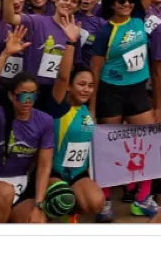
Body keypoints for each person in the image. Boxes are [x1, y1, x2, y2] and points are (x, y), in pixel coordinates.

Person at [0, 25, 52, 224]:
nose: (27, 100)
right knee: (4, 193)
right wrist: (5, 54)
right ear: (11, 96)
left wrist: (38, 205)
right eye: (22, 94)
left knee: (38, 224)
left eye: (33, 95)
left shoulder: (44, 121)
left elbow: (44, 166)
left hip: (21, 189)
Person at [90, 0, 158, 220]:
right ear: (111, 4)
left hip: (137, 89)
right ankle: (105, 200)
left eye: (130, 0)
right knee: (110, 147)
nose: (127, 4)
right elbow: (95, 69)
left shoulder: (138, 17)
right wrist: (92, 105)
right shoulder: (105, 32)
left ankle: (142, 198)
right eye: (121, 1)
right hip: (111, 91)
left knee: (148, 143)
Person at [47, 38, 104, 221]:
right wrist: (71, 44)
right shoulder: (59, 107)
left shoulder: (87, 109)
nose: (86, 90)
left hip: (78, 173)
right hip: (55, 173)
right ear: (70, 87)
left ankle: (72, 213)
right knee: (62, 199)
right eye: (81, 84)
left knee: (96, 203)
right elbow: (62, 77)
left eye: (90, 86)